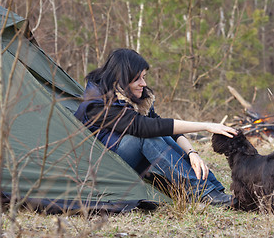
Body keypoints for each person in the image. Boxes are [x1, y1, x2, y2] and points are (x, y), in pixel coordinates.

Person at [74, 48, 238, 207]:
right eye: (138, 79)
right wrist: (206, 126)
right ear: (122, 78)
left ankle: (213, 188)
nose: (143, 84)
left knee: (160, 135)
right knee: (146, 138)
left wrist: (192, 153)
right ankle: (201, 193)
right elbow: (144, 128)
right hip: (104, 167)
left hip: (122, 154)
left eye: (144, 77)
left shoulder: (132, 96)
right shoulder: (98, 104)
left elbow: (162, 127)